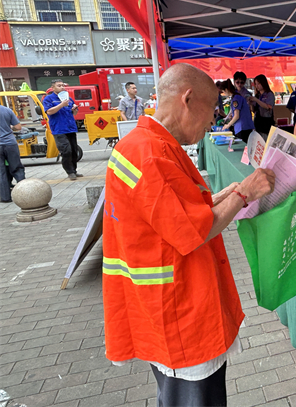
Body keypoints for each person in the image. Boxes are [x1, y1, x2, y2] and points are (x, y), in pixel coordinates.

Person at [102, 63, 275, 407]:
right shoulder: (151, 154)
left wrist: (220, 197)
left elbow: (171, 213)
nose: (213, 120)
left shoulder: (146, 145)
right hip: (178, 310)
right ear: (188, 99)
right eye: (212, 110)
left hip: (167, 303)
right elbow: (192, 231)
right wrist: (244, 195)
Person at [43, 79, 82, 180]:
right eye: (59, 86)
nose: (62, 87)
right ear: (53, 88)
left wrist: (75, 109)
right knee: (66, 151)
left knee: (74, 151)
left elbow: (74, 113)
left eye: (63, 85)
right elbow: (49, 112)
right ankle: (69, 172)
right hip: (59, 129)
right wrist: (61, 105)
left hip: (70, 127)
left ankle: (74, 170)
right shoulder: (49, 99)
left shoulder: (68, 98)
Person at [0, 104, 25, 202]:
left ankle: (5, 197)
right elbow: (18, 127)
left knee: (1, 172)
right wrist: (9, 127)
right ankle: (24, 194)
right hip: (10, 143)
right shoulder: (7, 110)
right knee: (17, 168)